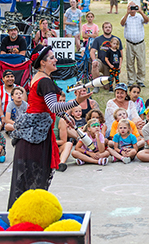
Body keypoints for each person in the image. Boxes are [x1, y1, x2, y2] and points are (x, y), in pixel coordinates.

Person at [7, 44, 93, 209]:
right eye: (52, 58)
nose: (56, 60)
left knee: (31, 180)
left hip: (35, 133)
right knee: (34, 180)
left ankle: (28, 215)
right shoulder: (44, 81)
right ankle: (27, 217)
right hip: (35, 137)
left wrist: (66, 116)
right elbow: (53, 107)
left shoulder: (41, 77)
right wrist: (77, 102)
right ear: (42, 63)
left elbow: (45, 106)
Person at [120, 1, 148, 88]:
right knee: (130, 63)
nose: (132, 9)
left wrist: (141, 11)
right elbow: (122, 23)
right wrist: (127, 13)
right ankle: (131, 80)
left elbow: (147, 21)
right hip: (129, 43)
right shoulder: (126, 17)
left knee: (141, 62)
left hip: (140, 43)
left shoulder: (139, 16)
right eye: (130, 7)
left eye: (133, 7)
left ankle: (140, 80)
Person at [90, 22, 123, 93]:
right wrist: (94, 60)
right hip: (101, 62)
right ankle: (96, 86)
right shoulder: (98, 39)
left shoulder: (116, 40)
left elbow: (121, 54)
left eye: (109, 27)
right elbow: (92, 51)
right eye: (106, 27)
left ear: (111, 28)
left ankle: (102, 77)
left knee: (107, 87)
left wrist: (119, 65)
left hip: (111, 65)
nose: (108, 29)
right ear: (103, 29)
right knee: (95, 65)